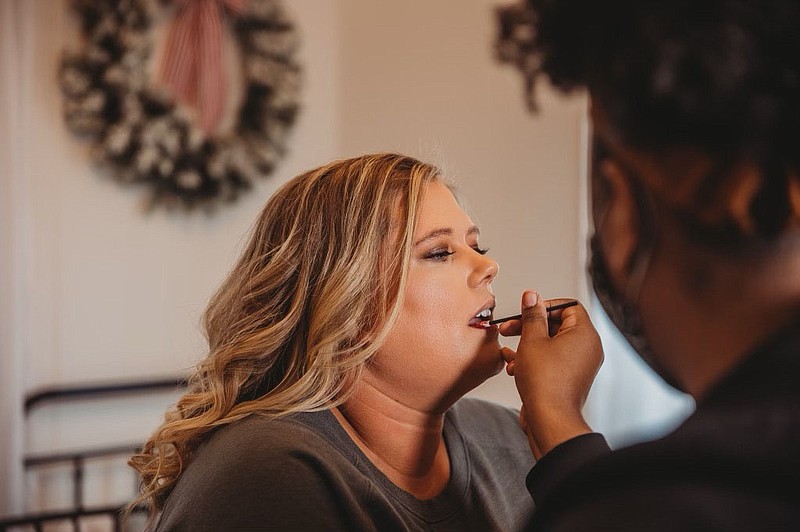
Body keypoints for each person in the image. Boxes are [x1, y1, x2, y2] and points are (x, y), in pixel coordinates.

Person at [496, 0, 800, 529]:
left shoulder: (644, 506)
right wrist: (561, 423)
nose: (488, 266)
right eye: (439, 250)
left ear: (621, 210)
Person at [128, 153, 536, 530]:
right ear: (344, 303)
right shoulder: (269, 478)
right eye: (438, 253)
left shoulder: (512, 436)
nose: (488, 265)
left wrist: (561, 424)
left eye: (476, 246)